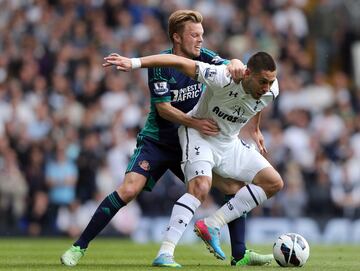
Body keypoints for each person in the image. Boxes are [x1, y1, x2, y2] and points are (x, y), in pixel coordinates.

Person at [60, 10, 271, 267]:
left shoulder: (204, 57)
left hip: (193, 140)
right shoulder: (162, 64)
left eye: (202, 35)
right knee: (129, 190)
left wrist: (237, 61)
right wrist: (195, 122)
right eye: (194, 35)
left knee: (233, 188)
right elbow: (164, 109)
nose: (200, 40)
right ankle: (78, 247)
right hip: (160, 140)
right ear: (177, 38)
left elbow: (236, 70)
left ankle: (240, 255)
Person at [103, 50, 283, 262]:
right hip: (200, 135)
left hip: (229, 142)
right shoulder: (222, 76)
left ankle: (211, 224)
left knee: (274, 183)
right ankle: (165, 253)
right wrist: (133, 62)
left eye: (270, 82)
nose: (267, 88)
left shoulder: (271, 90)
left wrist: (256, 128)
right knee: (201, 187)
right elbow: (176, 61)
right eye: (263, 81)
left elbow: (258, 102)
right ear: (248, 73)